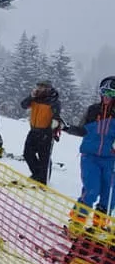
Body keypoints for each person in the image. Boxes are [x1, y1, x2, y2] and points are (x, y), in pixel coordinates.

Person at [64, 76, 115, 233]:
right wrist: (66, 127)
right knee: (91, 190)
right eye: (103, 92)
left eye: (110, 93)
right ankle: (77, 222)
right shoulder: (93, 110)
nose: (106, 96)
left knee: (109, 195)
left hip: (110, 160)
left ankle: (99, 226)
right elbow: (82, 129)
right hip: (90, 157)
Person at [20, 80, 63, 185]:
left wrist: (54, 127)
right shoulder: (35, 97)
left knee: (44, 157)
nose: (39, 89)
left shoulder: (53, 101)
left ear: (48, 88)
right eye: (38, 86)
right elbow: (23, 105)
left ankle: (43, 179)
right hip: (33, 130)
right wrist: (31, 96)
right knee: (27, 154)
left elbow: (56, 116)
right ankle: (37, 174)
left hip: (46, 132)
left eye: (42, 87)